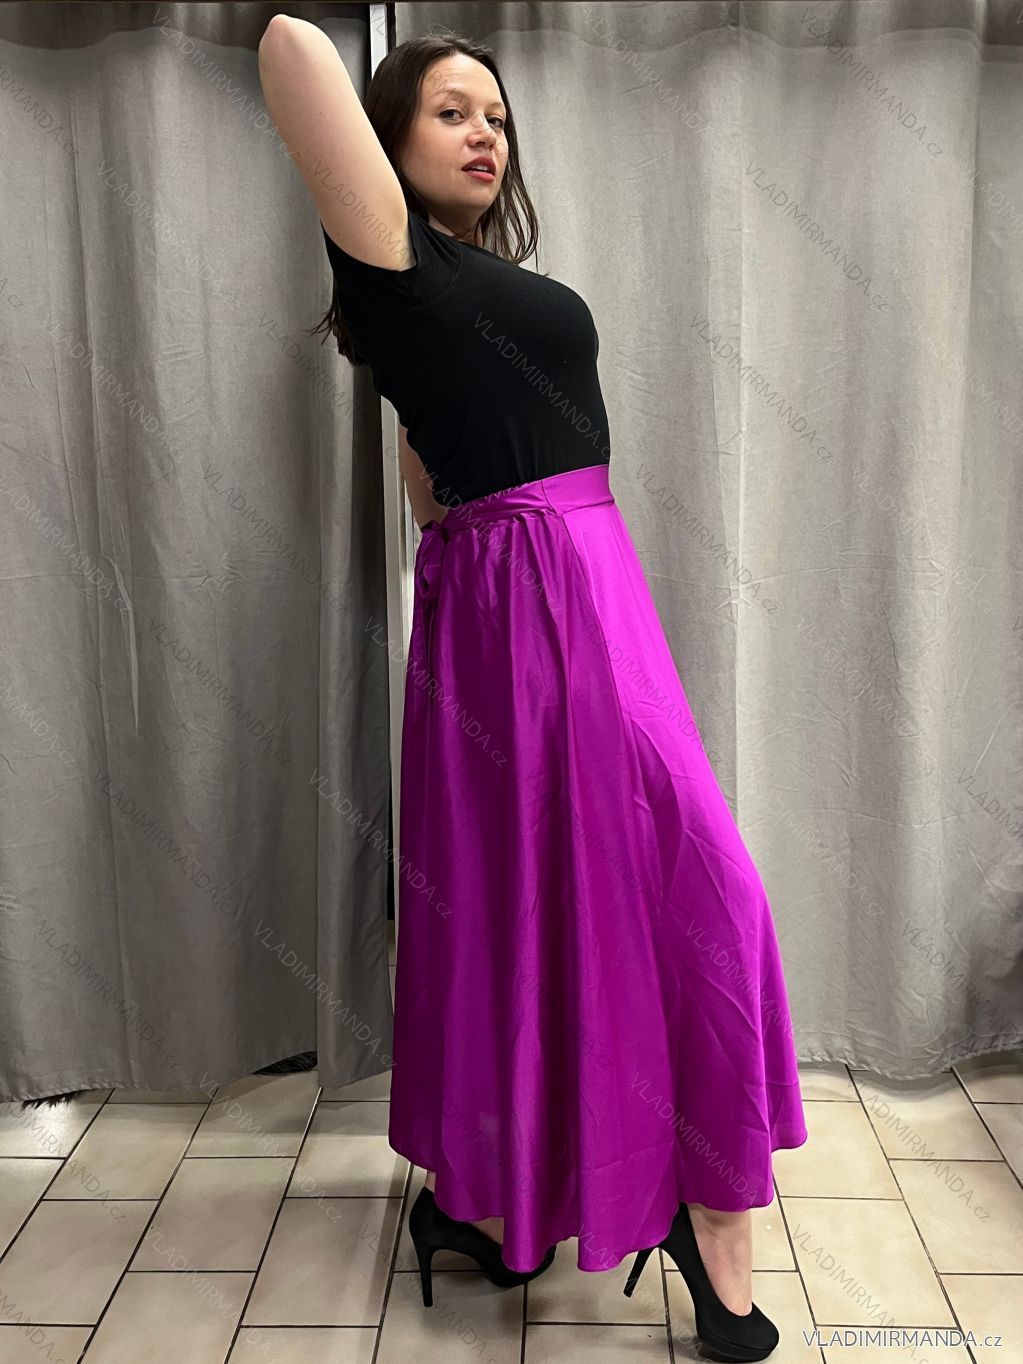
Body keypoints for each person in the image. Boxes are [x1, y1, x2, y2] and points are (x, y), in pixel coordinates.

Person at [258, 17, 808, 1360]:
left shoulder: (469, 286)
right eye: (451, 110)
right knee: (669, 890)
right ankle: (696, 1230)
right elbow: (286, 44)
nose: (486, 133)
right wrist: (493, 577)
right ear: (388, 140)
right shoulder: (391, 256)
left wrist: (469, 558)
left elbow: (427, 461)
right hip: (529, 598)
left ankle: (487, 1200)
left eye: (498, 115)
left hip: (577, 579)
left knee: (601, 891)